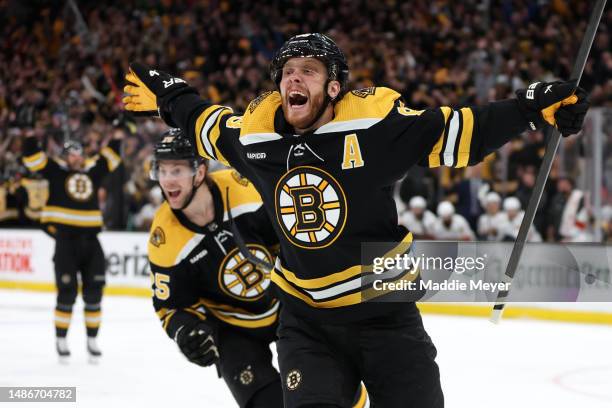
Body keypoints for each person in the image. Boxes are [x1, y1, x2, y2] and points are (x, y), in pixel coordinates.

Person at [123, 33, 589, 407]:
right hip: (307, 323)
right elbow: (204, 123)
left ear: (332, 87)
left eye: (308, 70)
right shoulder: (255, 136)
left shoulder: (373, 128)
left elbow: (461, 130)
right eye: (287, 72)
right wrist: (171, 95)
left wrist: (530, 108)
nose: (293, 80)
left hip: (386, 315)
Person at [147, 129, 370, 408]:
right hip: (233, 330)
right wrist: (187, 331)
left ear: (200, 171)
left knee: (335, 390)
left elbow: (291, 237)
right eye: (162, 171)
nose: (167, 180)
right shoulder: (163, 238)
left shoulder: (244, 190)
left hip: (286, 308)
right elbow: (171, 305)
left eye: (176, 170)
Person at [22, 133, 123, 363]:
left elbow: (111, 158)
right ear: (65, 157)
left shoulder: (92, 171)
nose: (76, 157)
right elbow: (32, 159)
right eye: (71, 153)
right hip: (66, 242)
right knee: (66, 294)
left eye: (79, 153)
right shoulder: (55, 171)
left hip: (91, 240)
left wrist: (116, 136)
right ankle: (61, 339)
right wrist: (31, 136)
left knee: (94, 293)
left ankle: (92, 340)